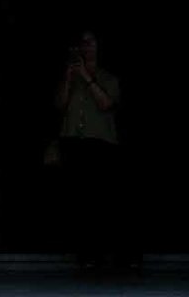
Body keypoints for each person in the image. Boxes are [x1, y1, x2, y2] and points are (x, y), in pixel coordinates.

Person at [55, 30, 123, 270]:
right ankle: (83, 254)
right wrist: (68, 77)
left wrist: (86, 76)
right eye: (82, 42)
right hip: (74, 141)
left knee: (100, 200)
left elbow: (106, 103)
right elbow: (60, 105)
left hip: (100, 144)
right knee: (78, 200)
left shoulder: (108, 78)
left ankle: (103, 253)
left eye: (90, 42)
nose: (86, 46)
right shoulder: (71, 76)